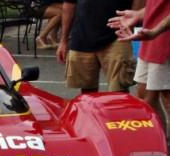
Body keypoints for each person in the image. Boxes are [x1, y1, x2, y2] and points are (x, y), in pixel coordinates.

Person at [109, 0, 170, 133]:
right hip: (151, 39)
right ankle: (160, 142)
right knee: (145, 99)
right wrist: (138, 14)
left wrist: (156, 31)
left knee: (168, 99)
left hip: (165, 42)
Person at [56, 0, 136, 93]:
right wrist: (63, 40)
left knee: (119, 90)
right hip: (83, 35)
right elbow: (69, 5)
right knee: (87, 93)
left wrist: (131, 23)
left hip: (117, 34)